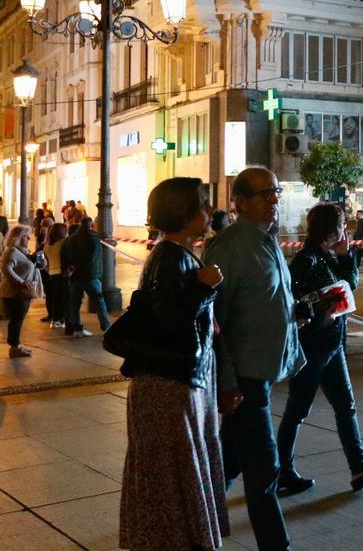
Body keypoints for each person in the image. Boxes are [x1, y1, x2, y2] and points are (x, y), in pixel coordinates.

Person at [118, 177, 230, 551]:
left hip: (179, 383)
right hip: (170, 386)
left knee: (173, 470)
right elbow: (169, 323)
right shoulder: (170, 258)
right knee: (172, 472)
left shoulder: (177, 254)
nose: (210, 211)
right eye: (202, 205)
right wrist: (203, 289)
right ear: (182, 212)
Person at [204, 166, 304, 551]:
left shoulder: (267, 240)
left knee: (231, 460)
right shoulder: (228, 247)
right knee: (264, 467)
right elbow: (217, 321)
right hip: (244, 378)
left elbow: (272, 299)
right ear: (240, 202)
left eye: (276, 192)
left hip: (263, 371)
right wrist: (227, 382)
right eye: (265, 194)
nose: (274, 200)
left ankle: (194, 519)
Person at [275, 203, 363, 498]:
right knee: (297, 410)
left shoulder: (328, 257)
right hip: (313, 347)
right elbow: (295, 298)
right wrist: (315, 311)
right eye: (342, 224)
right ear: (331, 228)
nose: (346, 229)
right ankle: (282, 471)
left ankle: (359, 469)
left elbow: (348, 287)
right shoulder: (307, 260)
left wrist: (345, 256)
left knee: (345, 406)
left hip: (333, 345)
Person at [61, 216, 110, 337]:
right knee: (99, 301)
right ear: (91, 225)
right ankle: (106, 326)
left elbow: (63, 255)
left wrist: (69, 268)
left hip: (74, 276)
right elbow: (92, 257)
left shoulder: (69, 239)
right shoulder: (93, 238)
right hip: (90, 275)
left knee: (75, 303)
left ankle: (77, 328)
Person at [2, 225, 42, 358]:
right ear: (18, 238)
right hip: (15, 292)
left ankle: (17, 346)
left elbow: (29, 267)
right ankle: (14, 347)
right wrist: (21, 282)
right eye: (25, 236)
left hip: (24, 291)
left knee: (18, 319)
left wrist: (39, 261)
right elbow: (6, 269)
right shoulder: (12, 251)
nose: (29, 238)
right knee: (16, 320)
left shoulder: (24, 252)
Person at [42, 223, 68, 329]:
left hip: (52, 273)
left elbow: (45, 262)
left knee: (55, 298)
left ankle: (55, 319)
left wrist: (49, 270)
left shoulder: (47, 245)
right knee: (63, 298)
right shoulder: (63, 243)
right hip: (62, 273)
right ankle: (61, 319)